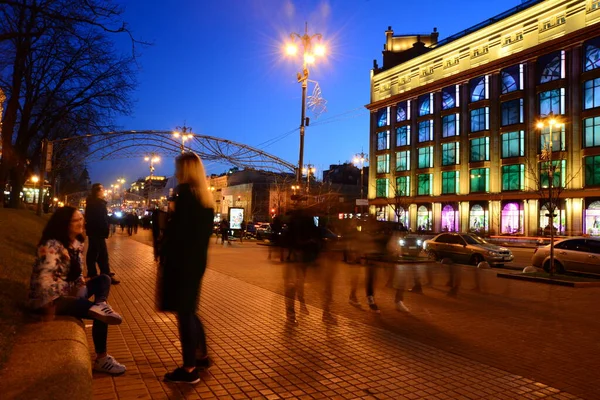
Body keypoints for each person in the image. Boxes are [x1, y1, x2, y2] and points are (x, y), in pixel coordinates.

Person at [28, 206, 126, 375]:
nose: (81, 223)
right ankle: (102, 359)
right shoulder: (52, 246)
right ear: (65, 224)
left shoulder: (77, 243)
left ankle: (101, 303)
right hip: (52, 299)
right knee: (101, 315)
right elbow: (45, 282)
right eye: (76, 220)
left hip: (70, 291)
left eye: (82, 218)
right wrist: (51, 307)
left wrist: (80, 283)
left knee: (104, 279)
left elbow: (77, 272)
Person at [157, 152, 214, 384]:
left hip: (181, 264)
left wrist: (167, 225)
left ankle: (189, 369)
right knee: (189, 310)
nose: (175, 173)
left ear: (185, 171)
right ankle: (202, 356)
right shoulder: (204, 198)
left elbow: (177, 235)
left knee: (184, 313)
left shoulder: (185, 197)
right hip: (195, 262)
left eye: (177, 168)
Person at [85, 183, 119, 284]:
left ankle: (95, 273)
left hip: (94, 231)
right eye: (102, 189)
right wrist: (105, 229)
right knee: (101, 254)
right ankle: (103, 274)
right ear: (98, 191)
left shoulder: (93, 203)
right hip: (97, 232)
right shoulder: (98, 203)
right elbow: (100, 219)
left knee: (95, 253)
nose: (104, 190)